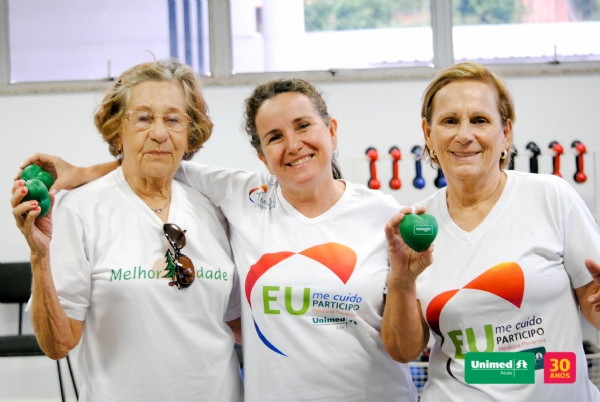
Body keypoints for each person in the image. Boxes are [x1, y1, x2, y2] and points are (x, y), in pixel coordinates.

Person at [21, 78, 419, 402]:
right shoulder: (243, 195)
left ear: (331, 130)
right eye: (274, 136)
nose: (293, 144)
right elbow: (155, 161)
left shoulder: (383, 214)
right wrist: (81, 175)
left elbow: (407, 341)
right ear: (262, 157)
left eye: (303, 125)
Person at [11, 59, 243, 402]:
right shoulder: (81, 209)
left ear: (189, 134)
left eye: (173, 119)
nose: (160, 133)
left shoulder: (214, 210)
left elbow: (238, 323)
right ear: (117, 131)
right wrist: (39, 255)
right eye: (144, 118)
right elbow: (58, 345)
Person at [381, 61, 600, 401]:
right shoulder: (418, 227)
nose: (464, 135)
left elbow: (593, 304)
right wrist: (402, 280)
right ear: (428, 133)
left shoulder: (551, 197)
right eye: (449, 121)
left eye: (479, 120)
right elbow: (403, 350)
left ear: (506, 132)